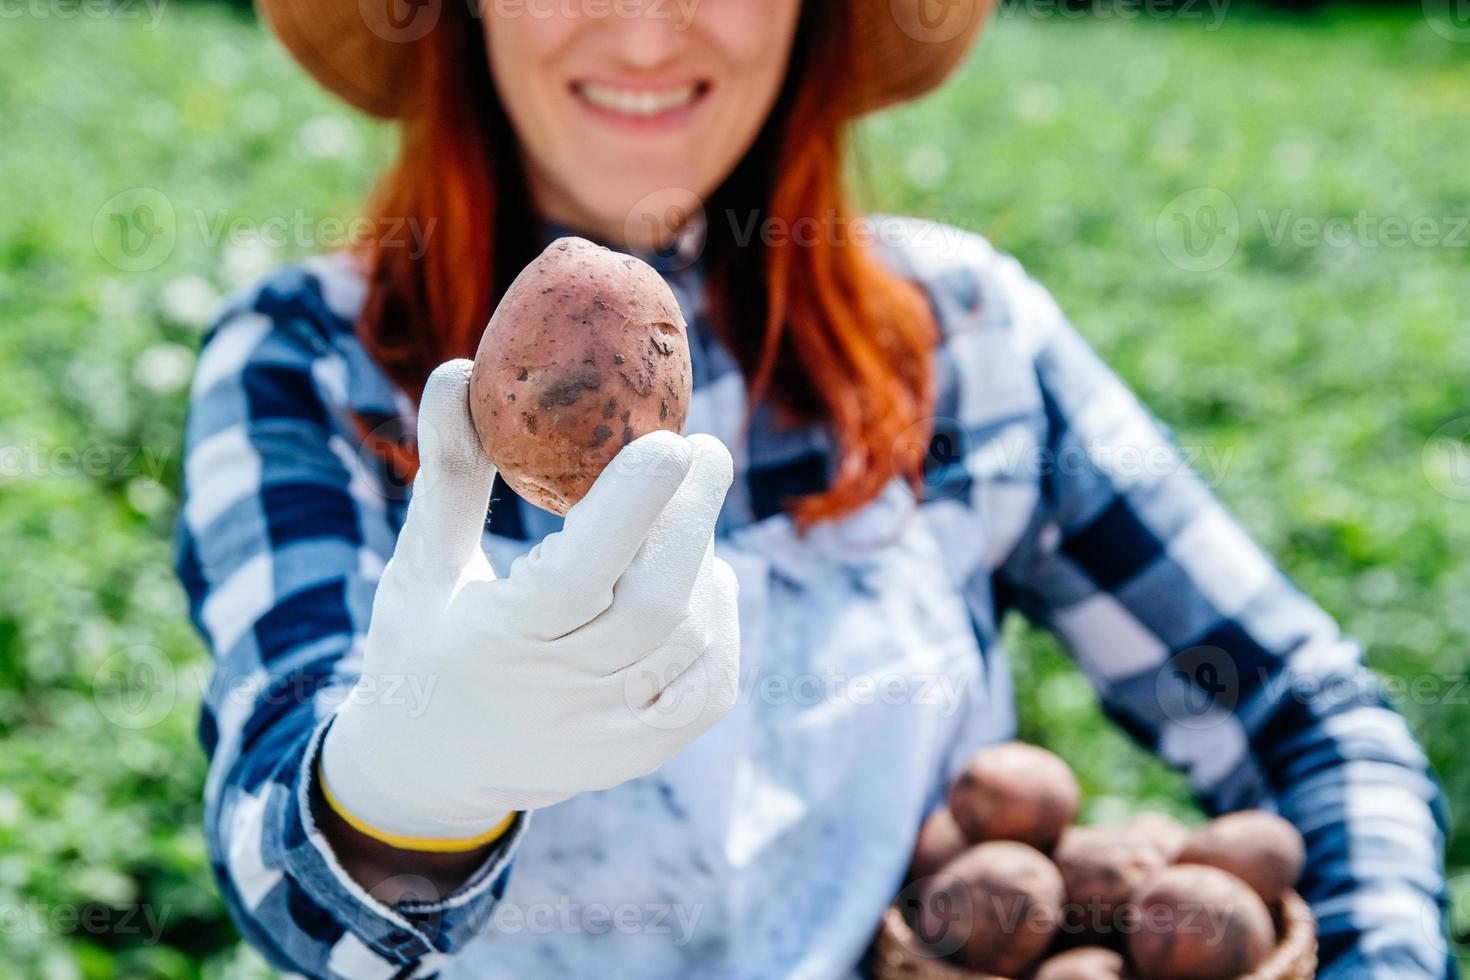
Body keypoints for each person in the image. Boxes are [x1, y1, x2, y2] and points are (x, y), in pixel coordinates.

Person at [175, 0, 1456, 977]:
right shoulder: (307, 360)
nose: (641, 27)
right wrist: (412, 791)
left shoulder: (959, 334)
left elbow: (1305, 709)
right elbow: (285, 885)